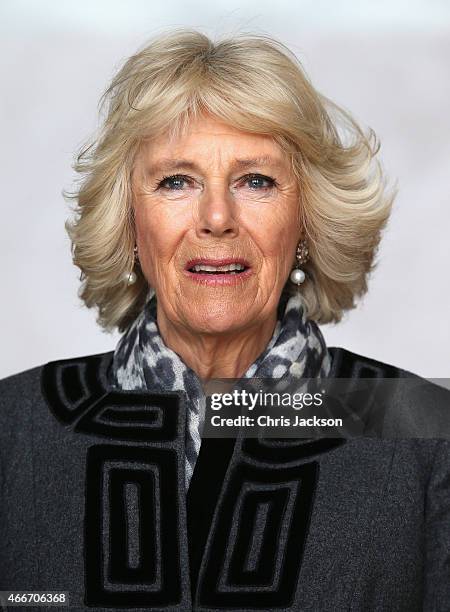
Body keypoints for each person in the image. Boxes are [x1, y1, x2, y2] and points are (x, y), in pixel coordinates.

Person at [0, 28, 449, 612]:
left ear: (308, 222)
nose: (217, 217)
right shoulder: (10, 429)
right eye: (176, 181)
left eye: (255, 181)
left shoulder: (429, 435)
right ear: (130, 222)